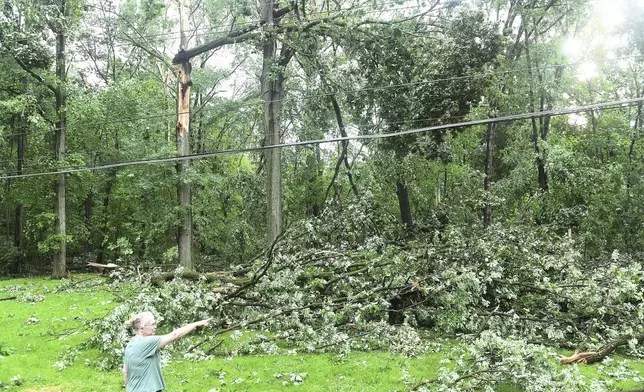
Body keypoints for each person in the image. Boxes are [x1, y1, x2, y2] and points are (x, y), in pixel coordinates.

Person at [122, 311, 210, 392]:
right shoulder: (147, 342)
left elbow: (125, 372)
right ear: (142, 328)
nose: (155, 327)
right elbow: (175, 335)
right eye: (152, 324)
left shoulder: (131, 344)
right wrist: (197, 323)